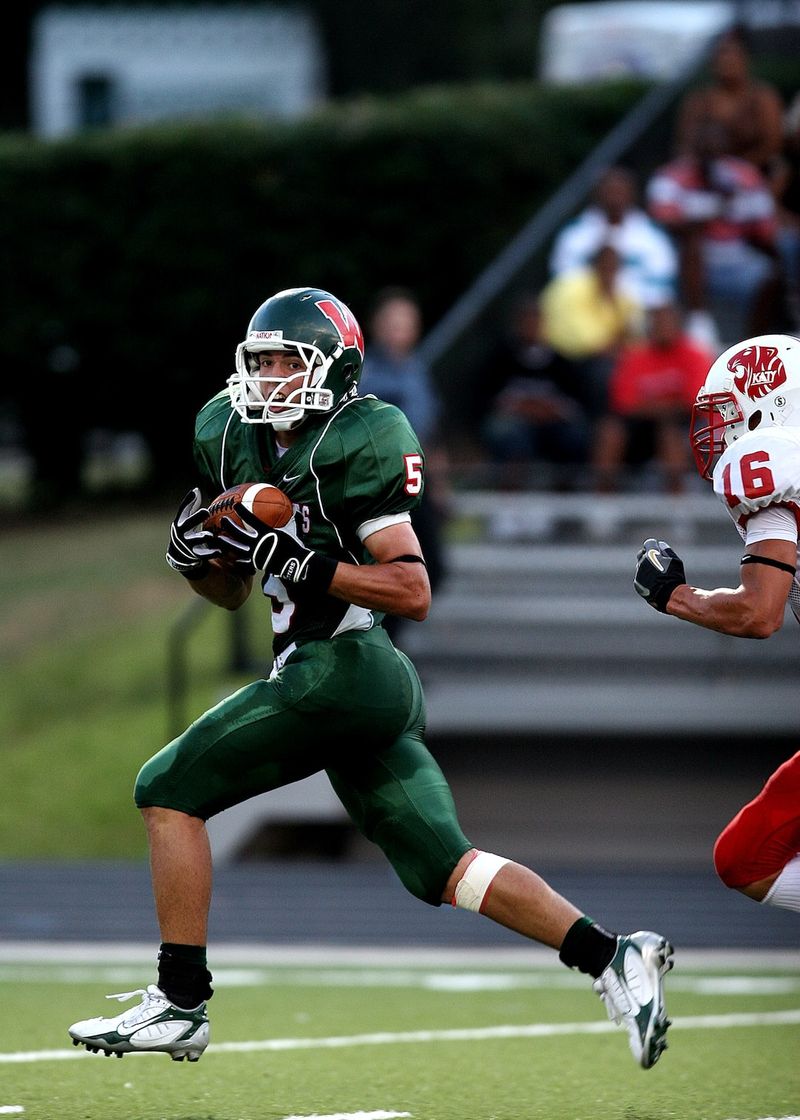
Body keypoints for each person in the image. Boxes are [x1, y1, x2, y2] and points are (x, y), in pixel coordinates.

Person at [68, 286, 674, 1068]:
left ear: (334, 368)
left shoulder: (365, 435)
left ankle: (181, 1001)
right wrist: (196, 561)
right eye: (261, 361)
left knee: (165, 789)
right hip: (355, 685)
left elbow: (411, 589)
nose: (269, 377)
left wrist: (303, 560)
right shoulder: (228, 433)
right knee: (445, 868)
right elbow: (232, 592)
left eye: (288, 361)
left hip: (343, 666)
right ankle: (613, 955)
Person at [633, 332, 800, 915]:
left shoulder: (775, 472)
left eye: (727, 413)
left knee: (749, 858)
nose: (715, 429)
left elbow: (759, 611)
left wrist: (678, 596)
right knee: (743, 856)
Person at [647, 119, 781, 351]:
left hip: (736, 257)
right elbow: (664, 221)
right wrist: (714, 209)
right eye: (704, 147)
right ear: (693, 147)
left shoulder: (745, 177)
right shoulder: (671, 177)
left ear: (726, 147)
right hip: (687, 266)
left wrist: (733, 201)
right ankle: (700, 324)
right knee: (692, 245)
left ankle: (756, 344)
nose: (710, 153)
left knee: (771, 271)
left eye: (716, 147)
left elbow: (765, 231)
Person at [359, 286, 447, 630]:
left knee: (433, 567)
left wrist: (440, 486)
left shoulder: (416, 370)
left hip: (416, 483)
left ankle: (390, 644)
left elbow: (429, 429)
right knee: (389, 569)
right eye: (392, 323)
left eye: (407, 323)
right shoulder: (364, 372)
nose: (400, 331)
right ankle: (383, 648)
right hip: (381, 487)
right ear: (377, 326)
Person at [592, 303, 712, 492]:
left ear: (678, 325)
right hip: (640, 426)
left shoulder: (695, 355)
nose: (661, 327)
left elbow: (695, 401)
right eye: (656, 322)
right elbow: (623, 403)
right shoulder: (635, 357)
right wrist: (666, 405)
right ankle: (603, 503)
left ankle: (677, 505)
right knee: (610, 432)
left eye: (666, 322)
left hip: (683, 424)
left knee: (669, 435)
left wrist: (651, 405)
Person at [481, 291, 591, 484]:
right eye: (526, 321)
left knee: (574, 436)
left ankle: (567, 493)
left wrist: (550, 410)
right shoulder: (499, 359)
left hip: (554, 424)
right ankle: (510, 499)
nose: (532, 326)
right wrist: (523, 408)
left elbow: (576, 401)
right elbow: (487, 399)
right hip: (516, 424)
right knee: (509, 436)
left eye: (536, 320)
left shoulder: (561, 362)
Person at [539, 243, 644, 422]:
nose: (612, 271)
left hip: (595, 359)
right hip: (558, 362)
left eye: (615, 267)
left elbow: (637, 339)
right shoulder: (571, 288)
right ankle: (600, 426)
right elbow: (592, 345)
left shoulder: (619, 294)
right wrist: (622, 346)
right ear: (595, 265)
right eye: (607, 266)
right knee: (606, 374)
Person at [549, 165, 678, 311]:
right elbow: (563, 280)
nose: (615, 197)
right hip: (587, 313)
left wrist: (623, 300)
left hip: (639, 314)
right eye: (609, 191)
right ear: (597, 193)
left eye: (620, 191)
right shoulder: (575, 232)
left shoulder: (652, 234)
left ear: (632, 193)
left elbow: (662, 282)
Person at [675, 27, 785, 188]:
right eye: (721, 55)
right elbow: (685, 144)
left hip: (754, 172)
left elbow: (772, 144)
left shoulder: (763, 97)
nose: (726, 61)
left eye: (732, 55)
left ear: (746, 59)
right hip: (704, 173)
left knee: (780, 169)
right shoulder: (698, 100)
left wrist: (737, 170)